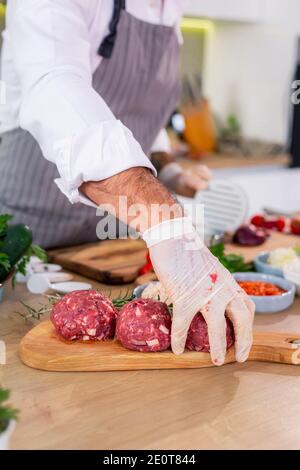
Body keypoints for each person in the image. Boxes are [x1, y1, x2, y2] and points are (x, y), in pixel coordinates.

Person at [0, 0, 255, 363]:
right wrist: (166, 223)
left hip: (103, 248)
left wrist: (167, 169)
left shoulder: (170, 11)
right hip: (25, 248)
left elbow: (139, 114)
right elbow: (55, 89)